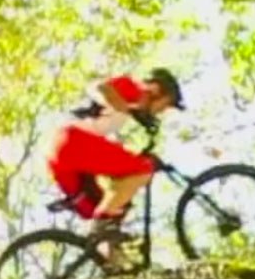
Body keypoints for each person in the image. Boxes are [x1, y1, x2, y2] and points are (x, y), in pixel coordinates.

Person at [44, 67, 183, 237]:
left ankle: (107, 257)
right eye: (166, 104)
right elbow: (101, 87)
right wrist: (125, 106)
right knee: (143, 169)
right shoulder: (132, 88)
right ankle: (102, 226)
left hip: (58, 153)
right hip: (73, 141)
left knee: (108, 210)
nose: (162, 111)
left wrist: (133, 112)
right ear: (155, 90)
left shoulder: (131, 103)